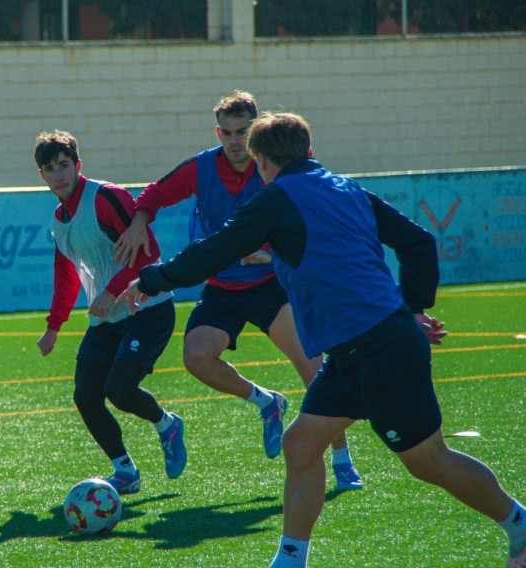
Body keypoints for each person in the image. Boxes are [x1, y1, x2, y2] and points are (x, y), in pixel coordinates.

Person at [117, 112, 526, 567]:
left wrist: (151, 280)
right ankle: (290, 560)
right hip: (355, 350)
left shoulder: (277, 198)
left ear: (264, 160)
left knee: (428, 460)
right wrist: (413, 307)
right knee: (301, 445)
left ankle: (520, 525)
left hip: (379, 347)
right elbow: (419, 242)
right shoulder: (346, 187)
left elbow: (215, 249)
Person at [113, 90, 362, 492]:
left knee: (314, 371)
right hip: (222, 287)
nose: (234, 141)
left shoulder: (280, 166)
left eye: (242, 131)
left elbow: (313, 214)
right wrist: (140, 219)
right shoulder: (201, 167)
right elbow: (155, 194)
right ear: (218, 133)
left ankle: (341, 459)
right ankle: (267, 402)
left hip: (271, 287)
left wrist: (274, 253)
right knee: (196, 356)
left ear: (257, 128)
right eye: (227, 133)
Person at [33, 129, 187, 495]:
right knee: (86, 396)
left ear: (78, 165)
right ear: (41, 176)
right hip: (105, 320)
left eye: (64, 165)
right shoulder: (59, 220)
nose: (59, 175)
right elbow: (66, 275)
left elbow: (148, 255)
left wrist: (111, 291)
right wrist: (54, 327)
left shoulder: (106, 197)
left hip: (147, 309)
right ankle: (125, 471)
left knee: (119, 389)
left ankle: (167, 425)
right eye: (51, 169)